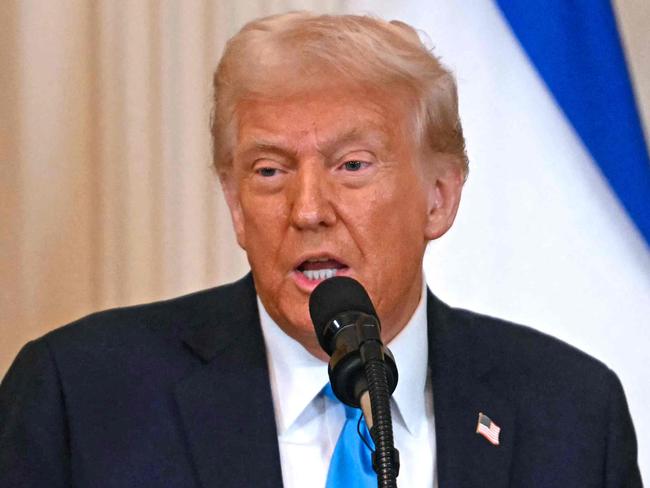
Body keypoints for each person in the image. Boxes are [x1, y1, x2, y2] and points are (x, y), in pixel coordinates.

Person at [0, 11, 642, 488]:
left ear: (439, 198)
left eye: (353, 165)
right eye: (269, 171)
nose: (307, 210)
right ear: (234, 204)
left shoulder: (572, 415)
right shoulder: (80, 398)